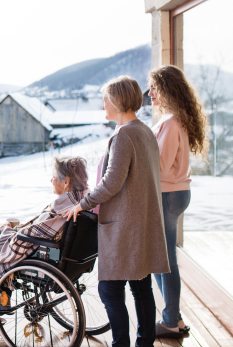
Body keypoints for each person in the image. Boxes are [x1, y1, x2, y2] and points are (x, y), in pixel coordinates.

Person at [65, 75, 170, 347]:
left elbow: (112, 182)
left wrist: (82, 203)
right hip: (142, 222)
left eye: (105, 100)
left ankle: (121, 344)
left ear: (116, 100)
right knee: (141, 287)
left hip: (125, 227)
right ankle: (144, 343)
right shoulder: (145, 131)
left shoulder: (123, 135)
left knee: (109, 290)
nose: (103, 107)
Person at [0, 155, 90, 320]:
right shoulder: (84, 200)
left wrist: (7, 230)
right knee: (1, 238)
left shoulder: (61, 206)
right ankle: (2, 298)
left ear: (66, 182)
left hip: (47, 257)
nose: (51, 180)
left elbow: (32, 235)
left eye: (54, 176)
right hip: (71, 259)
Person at [148, 65, 210, 338]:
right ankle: (175, 318)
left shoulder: (171, 122)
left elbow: (158, 168)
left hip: (167, 194)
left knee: (164, 260)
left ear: (166, 89)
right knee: (161, 259)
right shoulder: (176, 119)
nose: (150, 93)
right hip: (176, 193)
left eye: (154, 87)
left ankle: (171, 321)